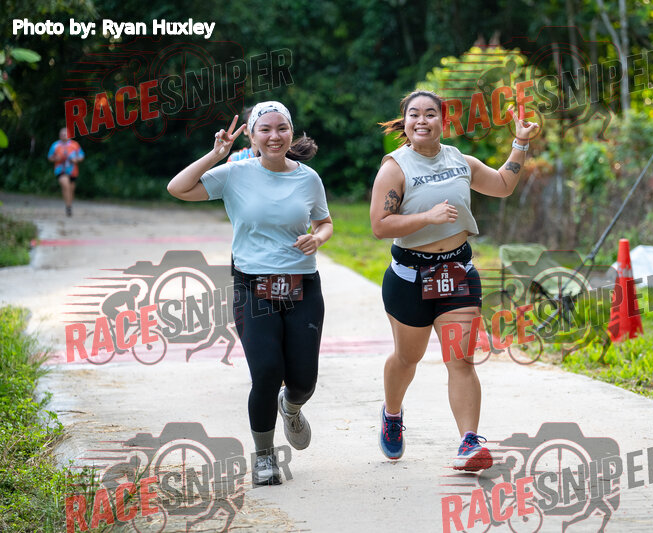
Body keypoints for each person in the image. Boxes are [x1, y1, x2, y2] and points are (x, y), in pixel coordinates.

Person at [370, 90, 538, 471]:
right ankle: (392, 414)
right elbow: (379, 225)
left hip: (457, 273)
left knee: (460, 359)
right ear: (405, 122)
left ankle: (468, 441)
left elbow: (502, 184)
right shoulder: (395, 168)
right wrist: (427, 218)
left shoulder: (460, 161)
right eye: (414, 114)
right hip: (410, 278)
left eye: (430, 114)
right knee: (407, 358)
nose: (422, 121)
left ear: (443, 121)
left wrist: (520, 142)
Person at [167, 102, 333, 486]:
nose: (274, 136)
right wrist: (215, 154)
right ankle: (264, 456)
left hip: (302, 285)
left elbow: (324, 222)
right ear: (253, 137)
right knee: (267, 372)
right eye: (265, 130)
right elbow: (178, 188)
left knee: (303, 381)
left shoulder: (308, 178)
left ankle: (291, 408)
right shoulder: (234, 174)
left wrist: (318, 238)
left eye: (282, 128)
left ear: (291, 132)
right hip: (252, 286)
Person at [48, 127, 84, 216]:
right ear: (59, 135)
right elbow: (50, 157)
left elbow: (81, 156)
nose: (64, 136)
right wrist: (56, 158)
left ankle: (69, 205)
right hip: (60, 170)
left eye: (65, 134)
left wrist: (76, 160)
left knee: (71, 189)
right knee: (65, 185)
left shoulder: (75, 145)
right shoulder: (55, 145)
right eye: (62, 134)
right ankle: (68, 207)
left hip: (72, 171)